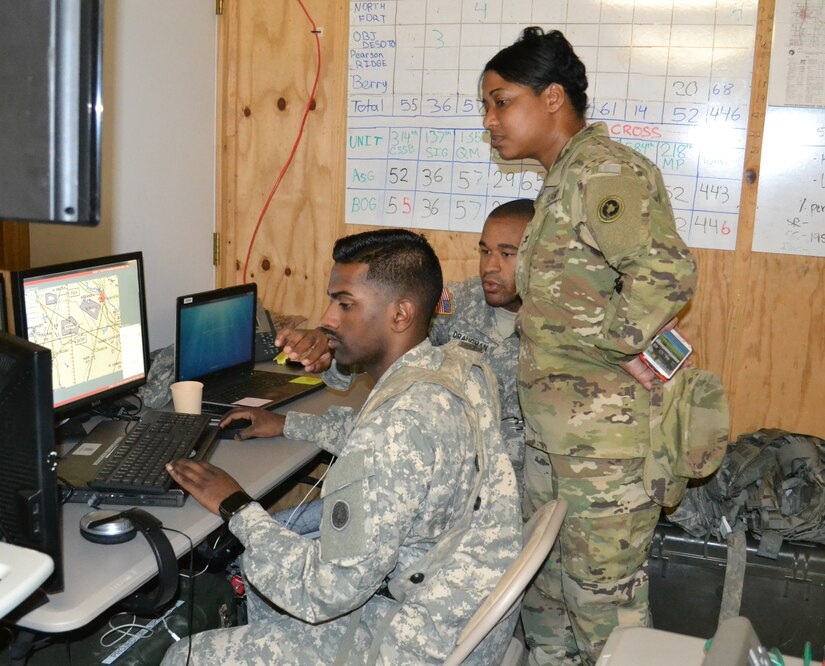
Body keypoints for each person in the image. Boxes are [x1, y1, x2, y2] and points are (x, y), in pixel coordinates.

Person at [161, 229, 522, 665]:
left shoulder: (397, 426)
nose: (328, 318)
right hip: (457, 599)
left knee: (187, 656)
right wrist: (289, 423)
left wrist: (236, 505)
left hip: (409, 637)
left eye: (344, 303)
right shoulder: (454, 366)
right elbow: (398, 443)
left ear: (400, 314)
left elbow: (324, 591)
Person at [481, 28, 698, 665]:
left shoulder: (604, 172)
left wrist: (605, 351)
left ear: (552, 98)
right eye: (486, 107)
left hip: (603, 448)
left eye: (500, 101)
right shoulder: (561, 179)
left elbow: (667, 274)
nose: (490, 120)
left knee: (607, 613)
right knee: (546, 599)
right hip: (556, 441)